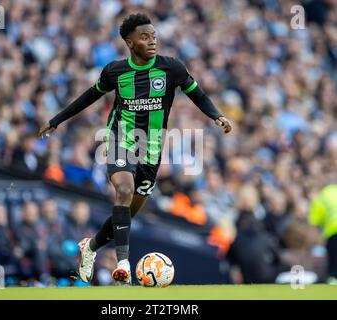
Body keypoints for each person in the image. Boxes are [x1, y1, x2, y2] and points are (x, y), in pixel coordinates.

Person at [38, 13, 232, 285]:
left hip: (151, 150)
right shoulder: (115, 71)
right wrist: (56, 120)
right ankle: (124, 265)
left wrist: (216, 115)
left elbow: (196, 93)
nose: (152, 41)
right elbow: (89, 96)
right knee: (124, 190)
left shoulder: (172, 68)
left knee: (128, 211)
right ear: (130, 43)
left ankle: (91, 246)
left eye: (154, 36)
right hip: (121, 140)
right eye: (145, 37)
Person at [309, 184, 337, 283]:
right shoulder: (334, 189)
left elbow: (313, 228)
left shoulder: (318, 200)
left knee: (334, 269)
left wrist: (315, 247)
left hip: (334, 233)